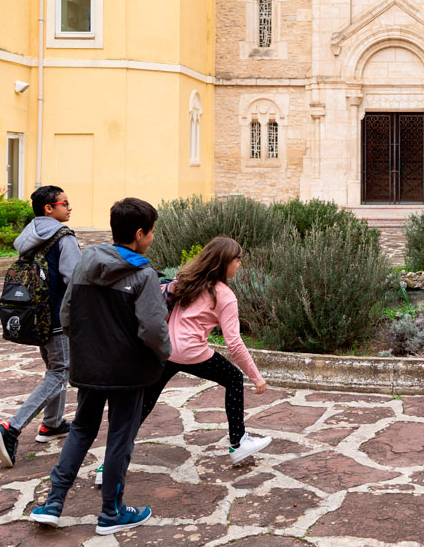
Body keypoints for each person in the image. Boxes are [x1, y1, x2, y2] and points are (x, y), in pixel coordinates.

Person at [29, 197, 170, 536]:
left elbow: (67, 313)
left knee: (81, 429)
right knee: (121, 436)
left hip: (90, 365)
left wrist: (86, 348)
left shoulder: (85, 264)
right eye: (151, 232)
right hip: (129, 371)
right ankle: (111, 512)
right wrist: (163, 354)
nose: (152, 238)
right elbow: (153, 328)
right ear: (139, 233)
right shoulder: (143, 274)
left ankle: (53, 503)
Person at [137, 236, 271, 464]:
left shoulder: (186, 281)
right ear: (224, 262)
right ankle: (238, 443)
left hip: (166, 350)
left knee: (143, 406)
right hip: (192, 352)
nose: (240, 263)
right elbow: (234, 343)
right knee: (234, 378)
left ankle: (110, 462)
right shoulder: (225, 295)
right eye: (237, 259)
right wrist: (256, 377)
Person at [0, 185, 82, 468]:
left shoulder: (30, 234)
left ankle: (52, 424)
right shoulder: (63, 236)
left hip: (35, 316)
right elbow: (75, 279)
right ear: (49, 208)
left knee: (55, 368)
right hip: (57, 317)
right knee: (60, 372)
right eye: (65, 203)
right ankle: (11, 428)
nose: (69, 207)